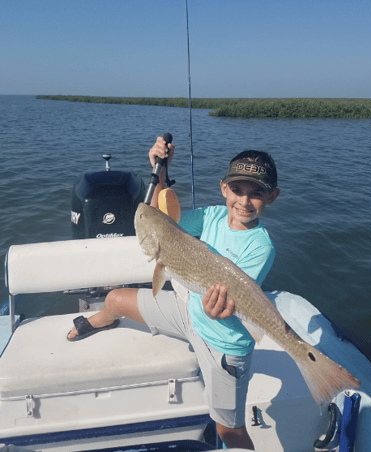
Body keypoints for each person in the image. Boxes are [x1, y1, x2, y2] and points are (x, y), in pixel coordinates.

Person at [67, 136, 280, 450]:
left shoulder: (261, 246)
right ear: (224, 188)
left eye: (256, 194)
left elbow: (235, 299)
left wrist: (216, 309)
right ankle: (105, 319)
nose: (244, 202)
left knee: (229, 433)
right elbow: (163, 221)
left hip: (222, 345)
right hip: (189, 314)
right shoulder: (211, 217)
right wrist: (161, 172)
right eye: (237, 190)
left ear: (271, 197)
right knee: (114, 299)